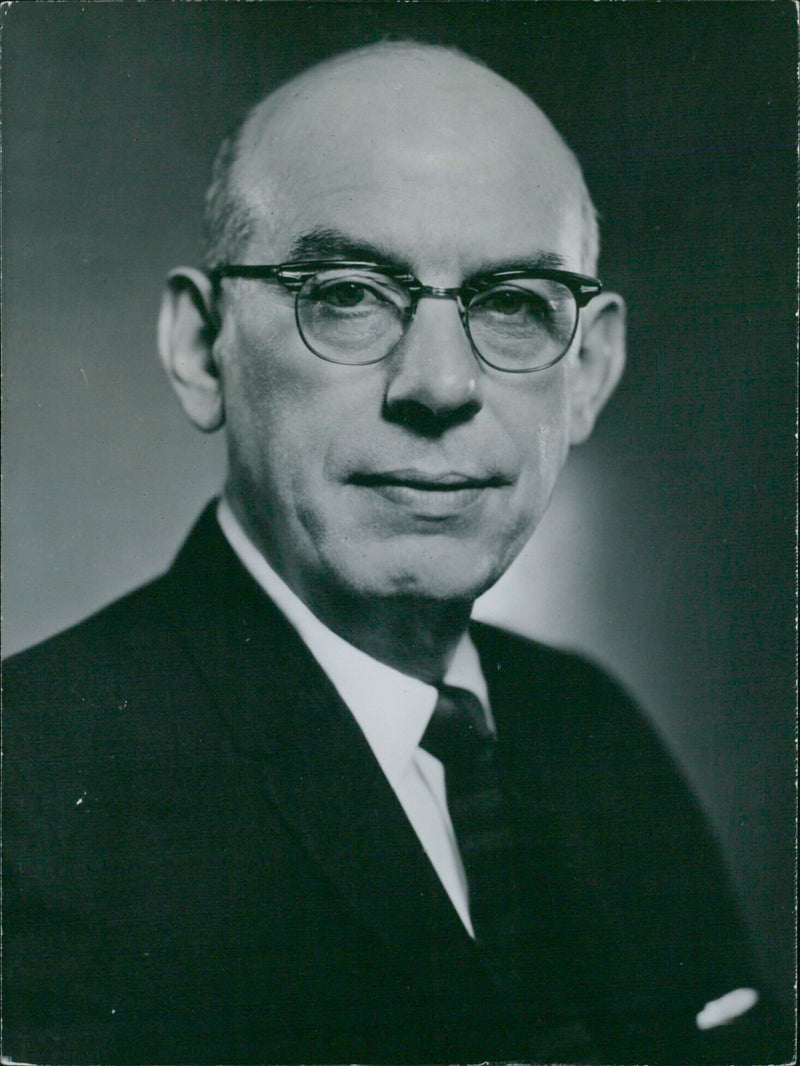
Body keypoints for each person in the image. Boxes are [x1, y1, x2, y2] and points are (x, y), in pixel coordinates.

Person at [2, 40, 787, 1065]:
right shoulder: (28, 790)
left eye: (511, 303)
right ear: (202, 351)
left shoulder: (598, 736)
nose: (437, 385)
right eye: (346, 291)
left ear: (586, 372)